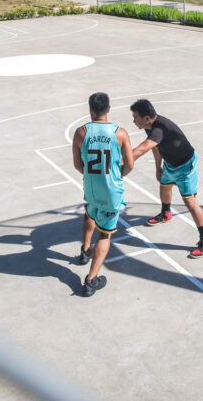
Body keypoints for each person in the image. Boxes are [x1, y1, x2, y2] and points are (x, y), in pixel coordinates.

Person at [129, 98, 203, 258]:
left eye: (135, 117)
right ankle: (166, 213)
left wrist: (119, 161)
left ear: (146, 118)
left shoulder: (160, 128)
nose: (133, 121)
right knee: (164, 186)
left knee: (189, 201)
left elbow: (143, 148)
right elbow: (155, 147)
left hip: (185, 166)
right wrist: (157, 167)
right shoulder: (150, 127)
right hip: (170, 163)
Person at [72, 92, 134, 297]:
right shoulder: (120, 133)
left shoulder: (81, 133)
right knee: (105, 234)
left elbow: (77, 164)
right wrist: (117, 175)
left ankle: (85, 250)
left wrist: (92, 176)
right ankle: (91, 280)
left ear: (90, 110)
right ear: (108, 109)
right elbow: (130, 165)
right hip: (111, 191)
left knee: (89, 213)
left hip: (91, 188)